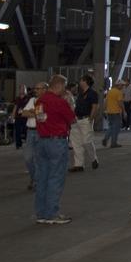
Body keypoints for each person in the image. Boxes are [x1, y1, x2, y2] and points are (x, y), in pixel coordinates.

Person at [33, 74, 76, 224]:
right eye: (64, 87)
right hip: (57, 142)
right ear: (58, 86)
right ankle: (52, 213)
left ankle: (41, 213)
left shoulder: (39, 101)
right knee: (56, 177)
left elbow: (39, 118)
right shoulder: (60, 102)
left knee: (42, 177)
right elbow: (72, 119)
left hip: (41, 141)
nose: (65, 90)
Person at [68, 75, 100, 172]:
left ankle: (93, 158)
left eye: (81, 80)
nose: (79, 82)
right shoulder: (81, 93)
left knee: (87, 140)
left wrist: (91, 118)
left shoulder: (92, 93)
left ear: (85, 82)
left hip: (86, 119)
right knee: (76, 142)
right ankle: (78, 164)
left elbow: (95, 106)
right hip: (76, 119)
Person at [19, 82, 47, 189]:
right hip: (30, 132)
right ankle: (35, 178)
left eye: (38, 88)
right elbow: (23, 113)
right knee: (28, 157)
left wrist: (32, 112)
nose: (36, 90)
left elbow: (43, 118)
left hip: (41, 132)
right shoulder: (32, 100)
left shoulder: (46, 102)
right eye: (35, 88)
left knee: (39, 158)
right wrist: (35, 113)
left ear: (45, 89)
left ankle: (36, 181)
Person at [103, 80, 125, 148]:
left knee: (111, 127)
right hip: (116, 112)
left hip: (109, 112)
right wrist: (124, 111)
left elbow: (105, 101)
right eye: (122, 85)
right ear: (118, 85)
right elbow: (120, 103)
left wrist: (104, 110)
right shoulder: (119, 92)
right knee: (116, 128)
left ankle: (106, 138)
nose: (122, 86)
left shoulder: (110, 91)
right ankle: (113, 143)